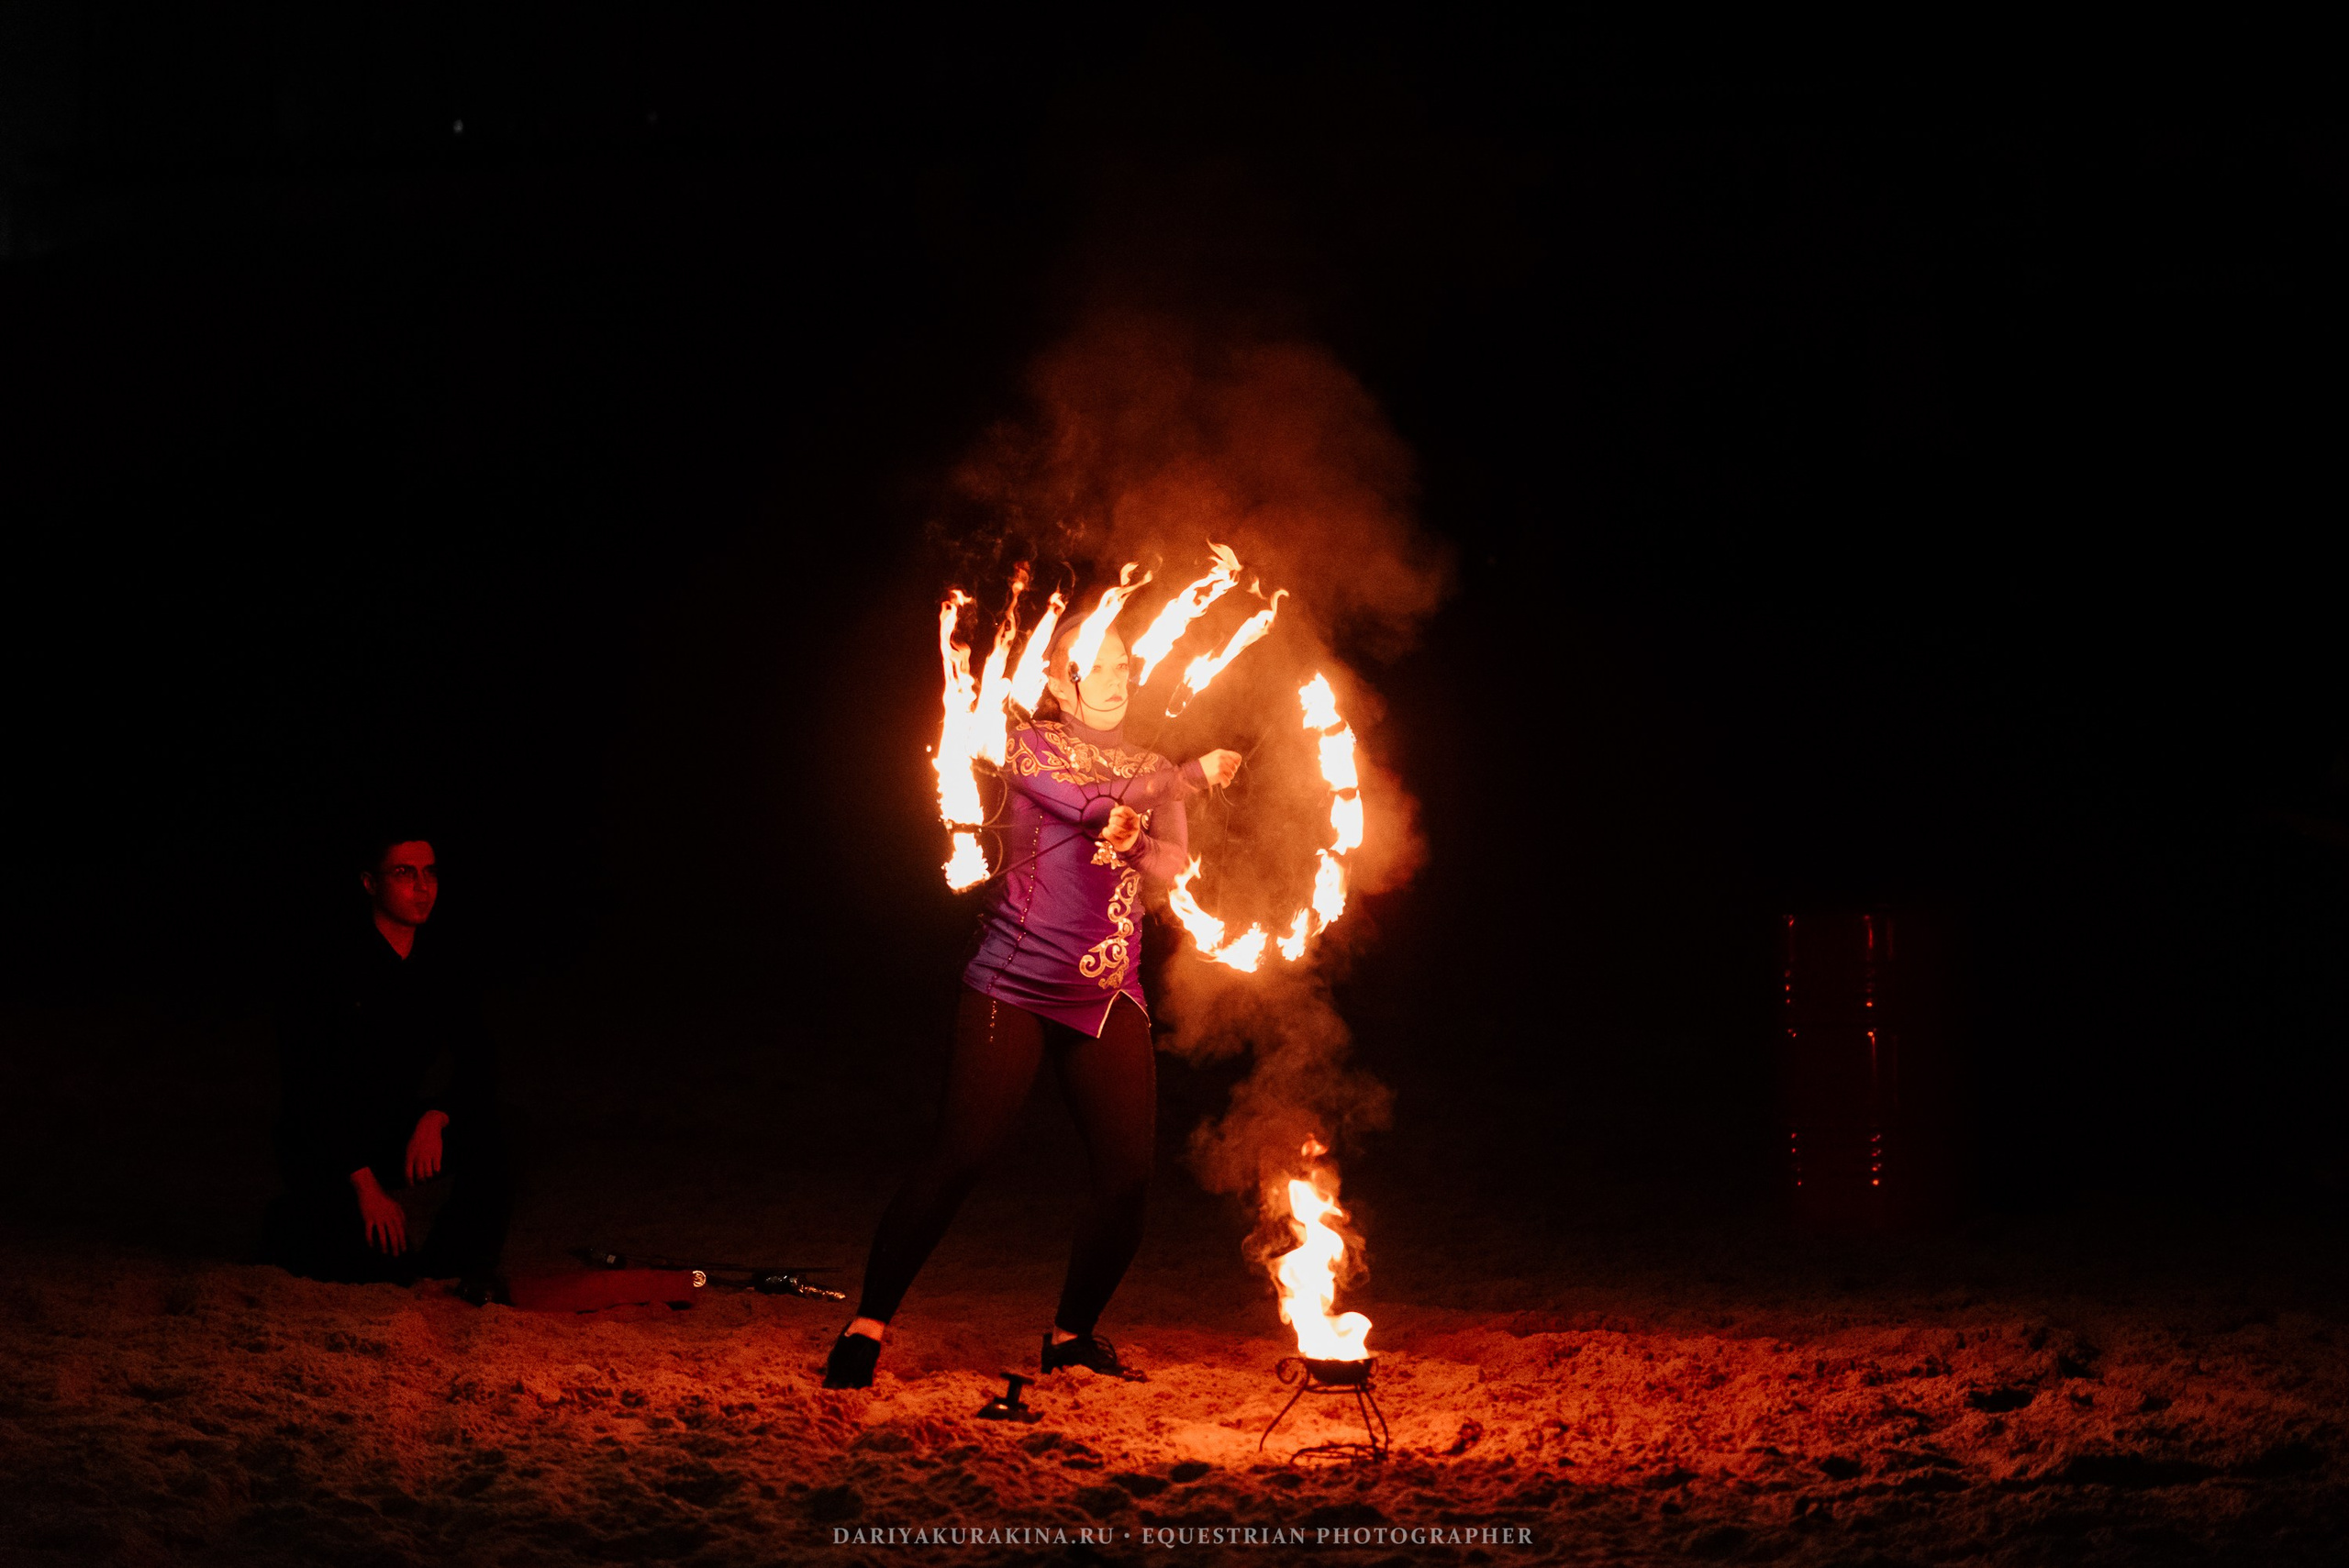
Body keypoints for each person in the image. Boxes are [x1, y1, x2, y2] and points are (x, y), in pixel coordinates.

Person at [824, 620, 1243, 1388]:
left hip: (1110, 986)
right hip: (1012, 982)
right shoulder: (1028, 746)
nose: (1115, 681)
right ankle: (868, 1321)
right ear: (1059, 684)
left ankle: (1072, 1334)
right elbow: (1086, 807)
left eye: (1124, 666)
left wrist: (1144, 843)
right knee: (962, 1156)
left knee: (1128, 1178)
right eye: (1096, 669)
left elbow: (1174, 858)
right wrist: (1181, 779)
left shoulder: (1148, 765)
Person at [262, 834, 513, 1296]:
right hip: (324, 1142)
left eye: (430, 873)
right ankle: (295, 1221)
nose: (422, 887)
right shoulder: (328, 967)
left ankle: (456, 1264)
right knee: (376, 1268)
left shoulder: (442, 965)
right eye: (404, 873)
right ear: (369, 883)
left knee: (496, 1130)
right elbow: (308, 1087)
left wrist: (436, 1116)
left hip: (390, 1126)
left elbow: (479, 1058)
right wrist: (364, 1185)